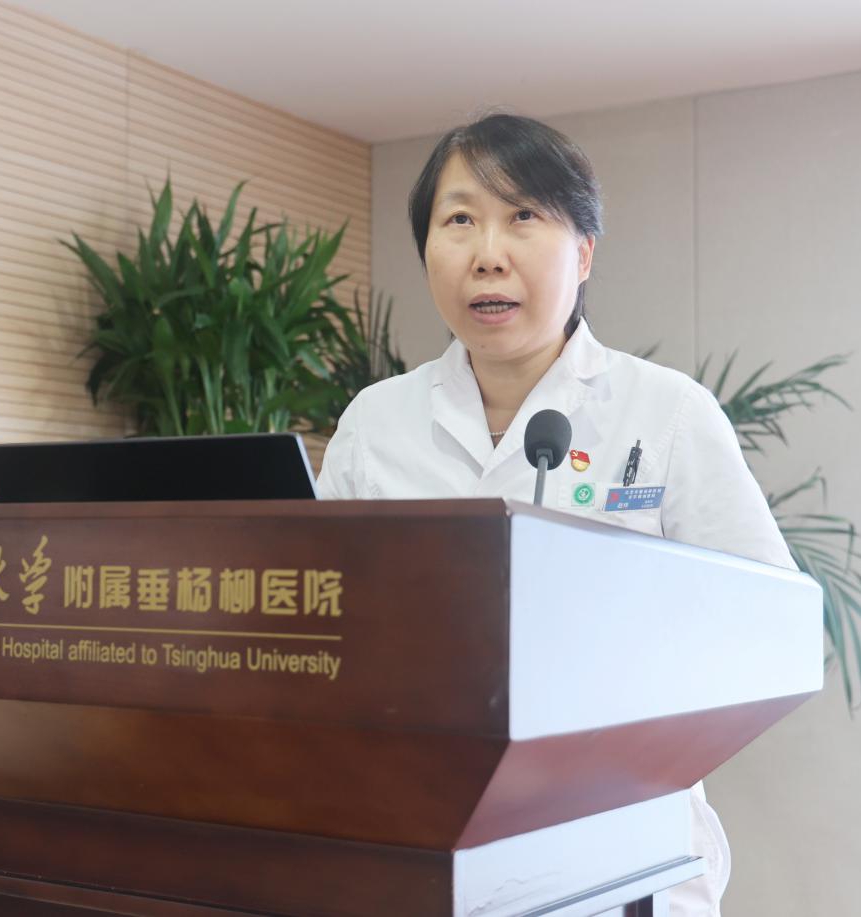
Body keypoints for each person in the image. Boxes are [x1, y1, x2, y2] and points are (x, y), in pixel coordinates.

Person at [316, 113, 795, 917]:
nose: (486, 253)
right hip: (418, 839)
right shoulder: (376, 421)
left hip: (618, 849)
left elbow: (770, 632)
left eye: (522, 216)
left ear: (583, 253)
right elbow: (324, 616)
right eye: (458, 220)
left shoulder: (665, 413)